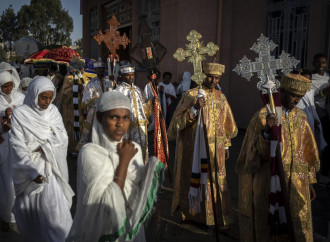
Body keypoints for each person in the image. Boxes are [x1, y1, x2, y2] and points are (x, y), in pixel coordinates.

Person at [67, 91, 164, 242]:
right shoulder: (89, 153)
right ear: (99, 117)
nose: (120, 124)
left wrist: (150, 176)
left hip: (132, 231)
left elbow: (137, 192)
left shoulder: (134, 149)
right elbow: (103, 205)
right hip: (104, 232)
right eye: (113, 117)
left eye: (125, 118)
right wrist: (123, 162)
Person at [236, 73, 319, 241]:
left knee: (296, 224)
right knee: (271, 227)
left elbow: (309, 153)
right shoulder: (262, 116)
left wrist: (310, 181)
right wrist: (267, 131)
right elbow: (253, 153)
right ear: (281, 91)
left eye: (300, 97)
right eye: (294, 96)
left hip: (297, 183)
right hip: (269, 180)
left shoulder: (301, 118)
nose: (297, 100)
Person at [167, 62, 238, 237]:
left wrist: (227, 145)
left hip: (217, 150)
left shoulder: (221, 98)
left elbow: (225, 124)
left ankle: (219, 219)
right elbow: (176, 124)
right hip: (195, 150)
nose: (213, 80)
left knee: (217, 182)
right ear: (202, 74)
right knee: (197, 180)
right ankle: (196, 216)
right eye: (210, 77)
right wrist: (195, 108)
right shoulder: (191, 95)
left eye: (217, 78)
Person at [10, 76, 74, 242]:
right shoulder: (20, 114)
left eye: (50, 98)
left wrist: (44, 147)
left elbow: (62, 138)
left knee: (57, 217)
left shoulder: (53, 112)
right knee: (31, 216)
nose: (47, 102)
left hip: (51, 169)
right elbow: (18, 145)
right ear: (33, 94)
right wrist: (31, 172)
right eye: (43, 97)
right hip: (30, 171)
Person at [0, 71, 25, 231]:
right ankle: (6, 216)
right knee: (6, 181)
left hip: (18, 142)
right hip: (3, 144)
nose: (9, 89)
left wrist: (16, 112)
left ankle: (19, 214)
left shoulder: (20, 98)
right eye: (5, 86)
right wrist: (3, 115)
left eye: (10, 85)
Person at [114, 62, 151, 163]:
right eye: (127, 75)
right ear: (122, 76)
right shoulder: (119, 90)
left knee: (142, 145)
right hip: (127, 125)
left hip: (140, 124)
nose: (130, 77)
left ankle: (142, 167)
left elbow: (144, 106)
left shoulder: (138, 89)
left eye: (132, 75)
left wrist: (152, 104)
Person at [77, 58, 115, 150]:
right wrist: (100, 100)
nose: (101, 70)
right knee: (93, 131)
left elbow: (113, 92)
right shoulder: (91, 83)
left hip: (107, 110)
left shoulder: (108, 80)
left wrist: (113, 82)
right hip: (94, 112)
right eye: (99, 69)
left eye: (102, 68)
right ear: (95, 70)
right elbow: (86, 99)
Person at [59, 57, 88, 154]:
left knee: (82, 128)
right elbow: (64, 95)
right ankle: (71, 149)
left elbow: (89, 95)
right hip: (70, 110)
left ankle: (82, 149)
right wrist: (74, 87)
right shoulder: (68, 79)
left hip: (82, 110)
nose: (83, 69)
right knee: (71, 129)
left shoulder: (86, 80)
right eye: (82, 68)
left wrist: (82, 89)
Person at [311, 53, 330, 186]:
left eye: (323, 63)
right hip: (311, 112)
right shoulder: (309, 77)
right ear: (313, 63)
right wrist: (322, 93)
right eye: (318, 62)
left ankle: (323, 175)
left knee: (326, 144)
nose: (321, 65)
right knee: (310, 143)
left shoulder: (328, 78)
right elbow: (307, 96)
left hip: (323, 113)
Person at [144, 68, 168, 163]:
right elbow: (146, 99)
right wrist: (152, 102)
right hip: (152, 111)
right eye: (153, 77)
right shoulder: (148, 86)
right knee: (152, 129)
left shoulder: (159, 86)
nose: (155, 79)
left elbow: (163, 99)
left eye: (156, 77)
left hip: (160, 111)